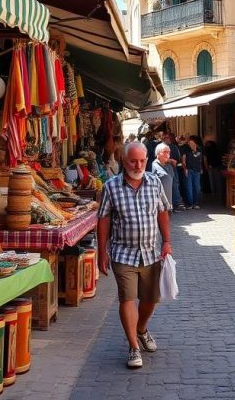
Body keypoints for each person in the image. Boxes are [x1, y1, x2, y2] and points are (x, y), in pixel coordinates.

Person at [97, 142, 173, 369]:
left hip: (151, 251)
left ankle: (141, 329)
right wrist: (102, 252)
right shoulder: (111, 187)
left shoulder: (154, 183)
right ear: (123, 160)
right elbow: (103, 220)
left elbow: (162, 212)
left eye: (142, 161)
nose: (138, 165)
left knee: (151, 299)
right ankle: (133, 347)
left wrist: (167, 241)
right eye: (133, 161)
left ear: (147, 160)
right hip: (123, 253)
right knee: (127, 298)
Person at [166, 132, 186, 209]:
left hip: (167, 168)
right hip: (173, 168)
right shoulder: (174, 147)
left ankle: (173, 204)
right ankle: (176, 203)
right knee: (175, 185)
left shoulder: (164, 147)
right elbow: (178, 157)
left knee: (171, 185)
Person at [183, 138, 204, 209]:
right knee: (189, 187)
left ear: (195, 143)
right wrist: (185, 169)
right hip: (189, 170)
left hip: (197, 171)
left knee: (197, 187)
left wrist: (201, 168)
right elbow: (183, 160)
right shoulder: (187, 150)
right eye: (189, 143)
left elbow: (200, 160)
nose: (190, 145)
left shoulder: (200, 150)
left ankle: (196, 203)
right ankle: (190, 204)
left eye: (192, 143)